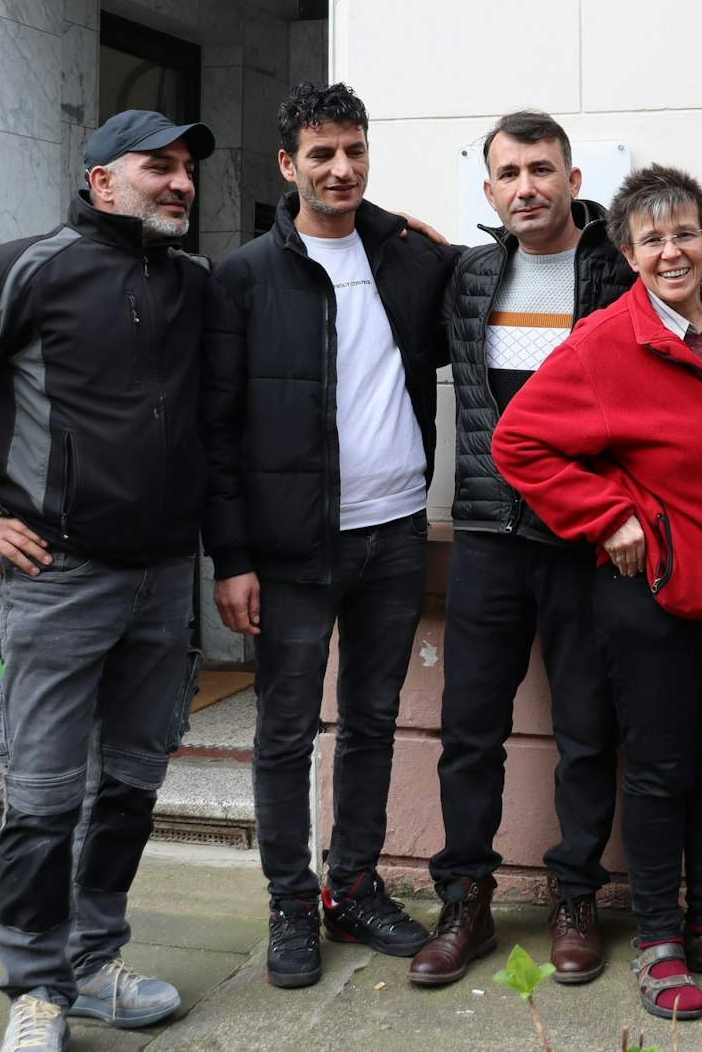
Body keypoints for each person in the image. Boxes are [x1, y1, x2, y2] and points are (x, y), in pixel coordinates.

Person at [0, 109, 216, 1052]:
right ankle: (35, 987)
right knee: (42, 791)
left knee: (133, 783)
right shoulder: (29, 267)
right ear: (104, 180)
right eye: (160, 166)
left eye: (189, 168)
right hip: (56, 577)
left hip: (162, 580)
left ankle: (95, 961)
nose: (181, 181)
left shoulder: (193, 283)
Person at [493, 165, 702, 1022]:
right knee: (660, 771)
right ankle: (660, 933)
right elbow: (519, 442)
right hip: (658, 595)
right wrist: (609, 517)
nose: (673, 251)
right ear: (628, 253)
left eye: (686, 233)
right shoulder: (602, 343)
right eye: (653, 239)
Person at [200, 82, 456, 990]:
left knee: (375, 720)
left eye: (354, 151)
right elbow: (217, 430)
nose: (341, 169)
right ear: (288, 164)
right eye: (322, 154)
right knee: (284, 729)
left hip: (393, 533)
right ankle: (289, 900)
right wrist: (229, 557)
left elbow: (513, 282)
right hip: (292, 550)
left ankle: (352, 886)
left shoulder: (409, 259)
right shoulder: (242, 278)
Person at [408, 111, 633, 987]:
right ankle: (465, 897)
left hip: (582, 538)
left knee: (586, 728)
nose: (526, 187)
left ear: (575, 180)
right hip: (488, 535)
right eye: (508, 174)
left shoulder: (618, 271)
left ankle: (575, 894)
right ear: (490, 189)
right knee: (469, 730)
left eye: (542, 169)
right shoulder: (469, 277)